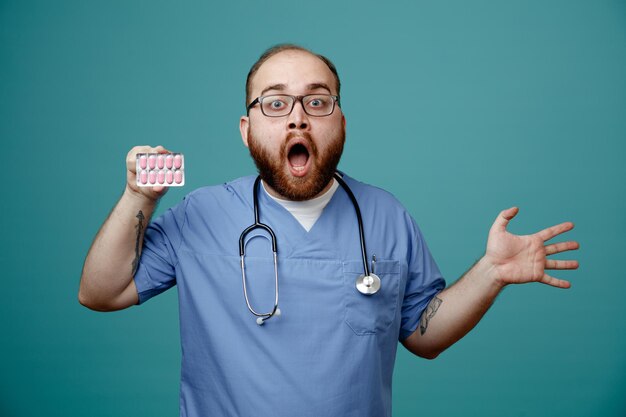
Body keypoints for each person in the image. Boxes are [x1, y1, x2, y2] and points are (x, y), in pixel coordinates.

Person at [78, 44, 579, 417]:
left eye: (317, 102)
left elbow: (425, 336)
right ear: (247, 129)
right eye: (274, 104)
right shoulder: (200, 215)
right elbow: (101, 292)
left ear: (341, 122)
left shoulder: (386, 215)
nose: (298, 119)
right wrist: (138, 198)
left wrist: (491, 271)